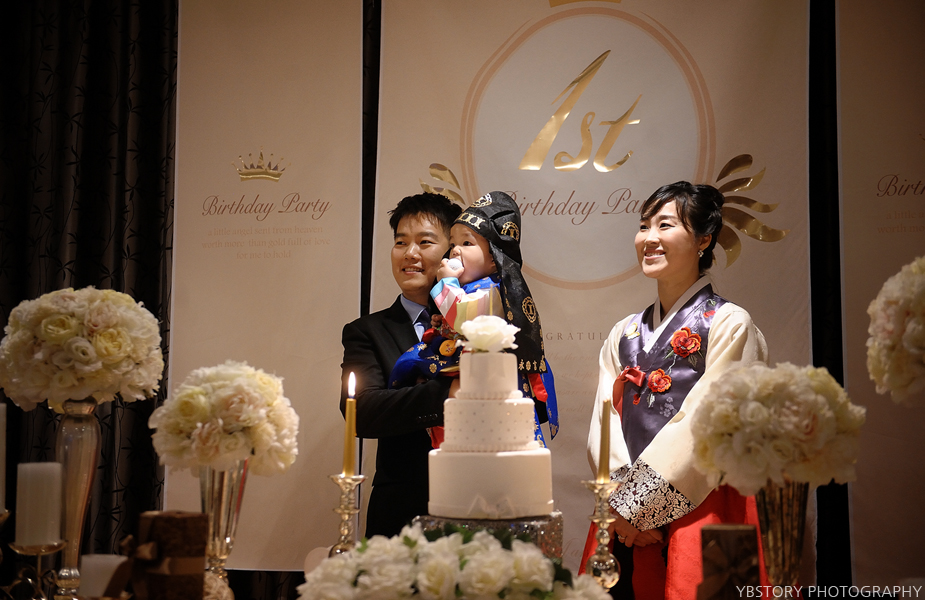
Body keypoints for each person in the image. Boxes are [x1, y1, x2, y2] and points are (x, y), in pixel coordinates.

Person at [583, 181, 769, 599]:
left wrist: (637, 509)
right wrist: (623, 506)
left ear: (704, 239)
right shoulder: (624, 332)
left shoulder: (730, 323)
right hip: (624, 516)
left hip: (706, 504)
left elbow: (708, 425)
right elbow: (603, 423)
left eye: (665, 225)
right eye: (643, 226)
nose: (649, 238)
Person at [388, 191, 559, 447]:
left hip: (485, 375)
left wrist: (446, 282)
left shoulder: (491, 289)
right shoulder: (472, 289)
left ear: (494, 259)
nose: (455, 251)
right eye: (453, 243)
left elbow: (462, 317)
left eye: (467, 243)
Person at [339, 192, 461, 538]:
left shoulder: (483, 317)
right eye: (400, 242)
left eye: (425, 242)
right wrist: (450, 392)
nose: (410, 253)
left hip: (479, 499)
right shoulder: (367, 331)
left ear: (452, 251)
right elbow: (361, 410)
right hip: (403, 509)